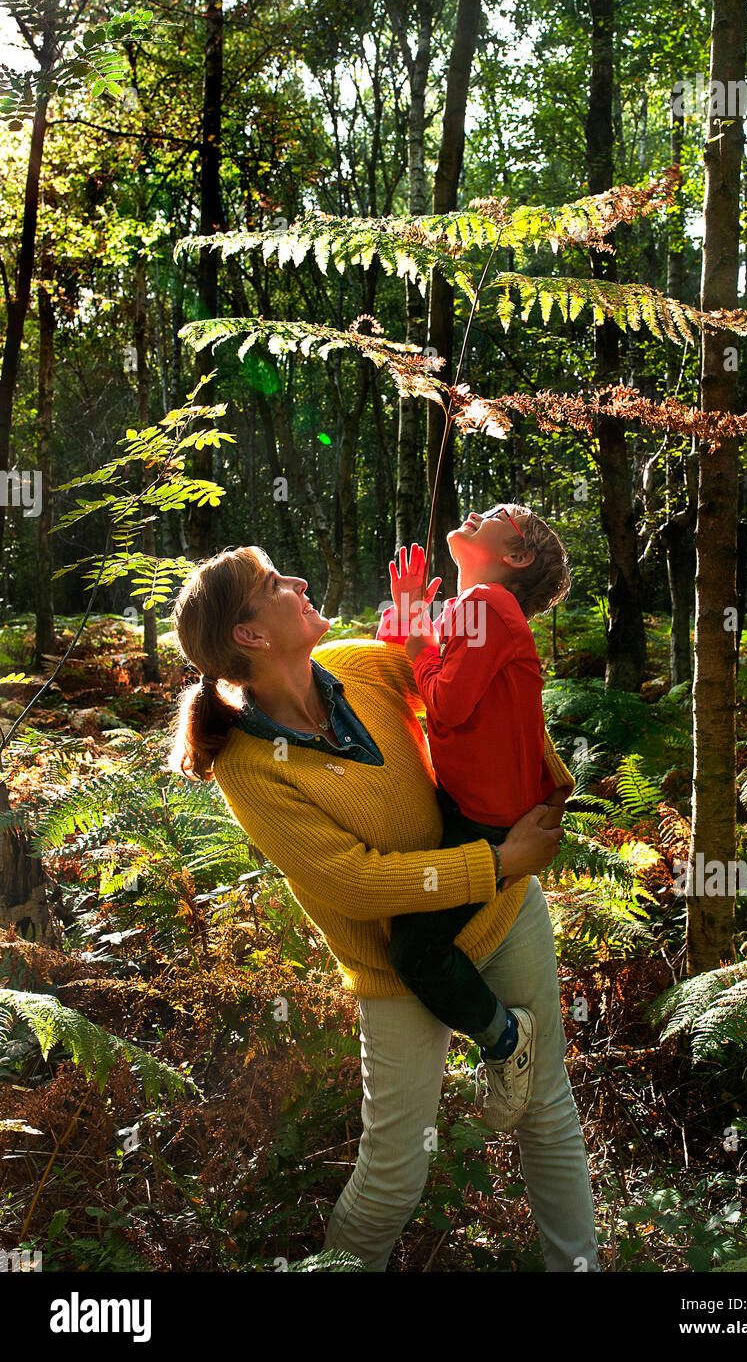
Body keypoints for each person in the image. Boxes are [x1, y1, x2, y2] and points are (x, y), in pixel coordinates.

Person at [167, 544, 599, 1272]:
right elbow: (353, 882)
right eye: (277, 583)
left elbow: (482, 703)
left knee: (546, 1113)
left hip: (502, 912)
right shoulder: (248, 765)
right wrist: (496, 860)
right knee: (396, 1168)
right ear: (250, 635)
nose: (300, 580)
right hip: (400, 965)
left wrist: (545, 788)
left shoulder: (363, 664)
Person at [378, 508, 571, 1133]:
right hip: (478, 813)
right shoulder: (479, 611)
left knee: (414, 952)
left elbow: (445, 700)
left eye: (495, 516)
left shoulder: (486, 603)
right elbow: (421, 673)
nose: (475, 514)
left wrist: (414, 634)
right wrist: (411, 621)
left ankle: (502, 1038)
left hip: (485, 827)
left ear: (512, 556)